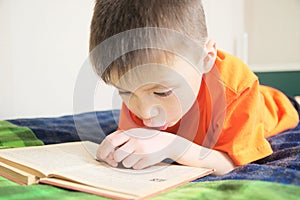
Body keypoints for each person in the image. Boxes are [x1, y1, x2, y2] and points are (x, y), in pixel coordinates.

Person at [89, 0, 299, 175]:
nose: (145, 112)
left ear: (206, 59)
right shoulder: (140, 87)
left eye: (162, 92)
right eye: (124, 92)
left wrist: (172, 145)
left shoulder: (236, 88)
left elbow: (235, 164)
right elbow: (133, 142)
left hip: (274, 107)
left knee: (291, 103)